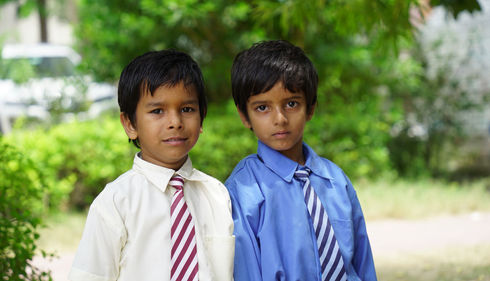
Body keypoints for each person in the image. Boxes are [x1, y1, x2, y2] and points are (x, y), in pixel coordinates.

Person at [69, 50, 234, 281]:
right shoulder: (116, 203)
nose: (175, 122)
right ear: (129, 123)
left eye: (187, 109)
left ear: (202, 117)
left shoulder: (217, 194)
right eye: (157, 111)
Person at [225, 40, 377, 281]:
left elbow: (362, 260)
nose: (280, 119)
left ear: (311, 108)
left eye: (292, 104)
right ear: (244, 115)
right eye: (263, 107)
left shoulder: (336, 180)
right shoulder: (243, 190)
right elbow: (247, 271)